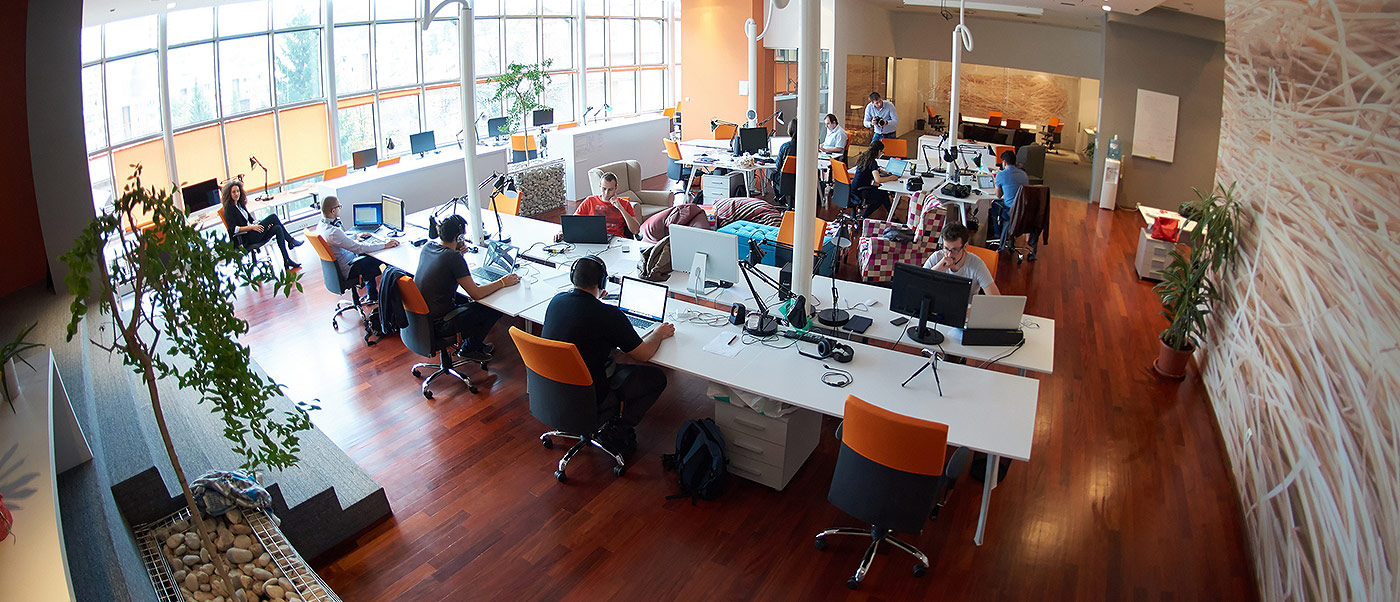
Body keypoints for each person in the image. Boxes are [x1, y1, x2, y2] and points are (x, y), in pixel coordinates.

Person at [541, 255, 673, 451]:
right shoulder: (608, 315)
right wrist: (657, 333)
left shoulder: (556, 301)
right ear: (603, 282)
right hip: (590, 393)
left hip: (553, 388)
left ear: (572, 278)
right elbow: (644, 354)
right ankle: (618, 429)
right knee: (656, 378)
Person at [414, 214, 521, 362]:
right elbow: (476, 293)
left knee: (469, 300)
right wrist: (502, 282)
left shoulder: (428, 247)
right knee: (493, 308)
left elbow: (445, 268)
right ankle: (469, 348)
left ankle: (474, 344)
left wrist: (458, 256)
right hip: (441, 323)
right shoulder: (453, 258)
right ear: (458, 238)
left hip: (422, 319)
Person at [316, 195, 398, 301]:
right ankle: (390, 298)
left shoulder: (322, 226)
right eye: (339, 206)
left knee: (366, 255)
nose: (340, 208)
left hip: (341, 265)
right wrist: (384, 245)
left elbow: (341, 238)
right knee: (384, 259)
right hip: (350, 268)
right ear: (333, 211)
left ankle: (372, 295)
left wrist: (355, 236)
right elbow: (359, 248)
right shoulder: (333, 232)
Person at [220, 178, 302, 269]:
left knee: (278, 228)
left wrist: (258, 224)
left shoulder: (240, 205)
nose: (236, 194)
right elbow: (234, 229)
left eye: (238, 191)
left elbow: (250, 220)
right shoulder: (229, 209)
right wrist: (252, 227)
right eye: (233, 192)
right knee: (273, 217)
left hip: (253, 232)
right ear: (229, 194)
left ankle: (286, 260)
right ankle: (291, 241)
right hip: (246, 238)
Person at [922, 222, 1000, 302]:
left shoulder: (977, 264)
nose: (949, 254)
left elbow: (995, 299)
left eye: (955, 249)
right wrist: (936, 269)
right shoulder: (936, 257)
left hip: (966, 310)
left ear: (965, 246)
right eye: (946, 248)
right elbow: (919, 286)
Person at [574, 171, 642, 239]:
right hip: (593, 238)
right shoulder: (590, 201)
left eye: (610, 189)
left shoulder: (625, 204)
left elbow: (636, 231)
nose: (606, 193)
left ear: (616, 188)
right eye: (604, 189)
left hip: (615, 240)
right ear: (600, 186)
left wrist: (620, 208)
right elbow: (574, 221)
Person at [849, 139, 900, 219]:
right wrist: (891, 178)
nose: (882, 154)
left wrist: (882, 171)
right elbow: (878, 180)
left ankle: (892, 215)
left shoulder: (864, 157)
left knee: (883, 193)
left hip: (854, 188)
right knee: (882, 196)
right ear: (879, 151)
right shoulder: (873, 162)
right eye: (882, 152)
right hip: (862, 190)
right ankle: (864, 216)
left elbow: (870, 169)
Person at [988, 150, 1029, 242]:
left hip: (1010, 210)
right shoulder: (1024, 174)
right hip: (1023, 210)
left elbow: (998, 195)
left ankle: (997, 234)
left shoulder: (1001, 175)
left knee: (994, 205)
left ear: (1004, 162)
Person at [770, 119, 798, 197]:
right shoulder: (806, 148)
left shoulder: (785, 147)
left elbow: (778, 166)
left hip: (785, 180)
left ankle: (780, 198)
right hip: (801, 180)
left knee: (773, 175)